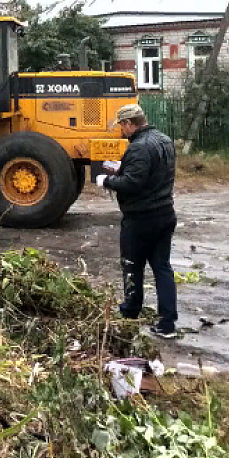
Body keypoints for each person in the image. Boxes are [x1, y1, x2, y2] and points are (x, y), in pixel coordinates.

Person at [96, 103, 179, 339]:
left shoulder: (139, 147)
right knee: (162, 268)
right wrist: (123, 169)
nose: (121, 131)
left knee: (132, 266)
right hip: (165, 213)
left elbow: (134, 183)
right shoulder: (164, 140)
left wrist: (107, 181)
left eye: (122, 126)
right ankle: (167, 323)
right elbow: (151, 173)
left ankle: (130, 311)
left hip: (141, 218)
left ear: (129, 124)